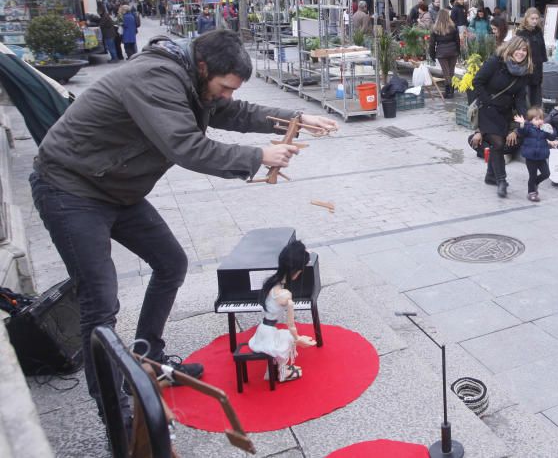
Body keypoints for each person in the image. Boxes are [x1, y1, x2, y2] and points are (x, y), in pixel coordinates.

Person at [29, 30, 339, 421]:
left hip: (115, 189)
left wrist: (296, 118)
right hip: (70, 188)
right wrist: (260, 154)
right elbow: (186, 146)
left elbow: (234, 112)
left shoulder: (195, 82)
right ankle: (114, 411)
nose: (226, 95)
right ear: (204, 66)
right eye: (224, 86)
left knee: (170, 263)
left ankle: (149, 359)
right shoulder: (155, 79)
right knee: (100, 302)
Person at [248, 238, 316, 382]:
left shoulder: (270, 283)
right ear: (297, 272)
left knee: (284, 336)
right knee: (288, 338)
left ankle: (272, 371)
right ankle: (282, 373)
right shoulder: (285, 295)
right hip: (269, 333)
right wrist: (299, 339)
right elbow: (291, 325)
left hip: (262, 330)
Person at [472, 36, 532, 197]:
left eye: (524, 50)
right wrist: (487, 101)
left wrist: (523, 118)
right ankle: (502, 181)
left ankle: (490, 175)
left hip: (504, 112)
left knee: (501, 144)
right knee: (498, 143)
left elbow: (519, 98)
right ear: (510, 49)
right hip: (487, 109)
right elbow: (477, 81)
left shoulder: (523, 71)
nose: (521, 53)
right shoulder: (496, 62)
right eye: (518, 49)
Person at [515, 107, 556, 202]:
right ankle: (531, 192)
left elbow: (552, 137)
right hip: (530, 157)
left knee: (546, 173)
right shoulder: (528, 128)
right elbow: (522, 132)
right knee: (532, 175)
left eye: (541, 119)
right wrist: (522, 124)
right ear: (530, 121)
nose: (539, 121)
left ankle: (535, 183)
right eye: (536, 119)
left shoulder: (544, 129)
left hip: (541, 156)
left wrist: (551, 130)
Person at [517, 7, 547, 107]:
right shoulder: (521, 32)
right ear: (527, 18)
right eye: (532, 18)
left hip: (538, 65)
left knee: (536, 91)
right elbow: (518, 50)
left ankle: (536, 113)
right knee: (525, 91)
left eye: (536, 18)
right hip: (526, 65)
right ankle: (525, 113)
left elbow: (542, 47)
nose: (534, 21)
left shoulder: (538, 30)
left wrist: (544, 61)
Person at [429, 9, 461, 99]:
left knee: (446, 72)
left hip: (441, 52)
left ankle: (448, 92)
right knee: (451, 72)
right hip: (453, 51)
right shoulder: (453, 27)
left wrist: (432, 55)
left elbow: (432, 44)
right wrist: (458, 51)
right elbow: (457, 40)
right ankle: (452, 91)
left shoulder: (435, 28)